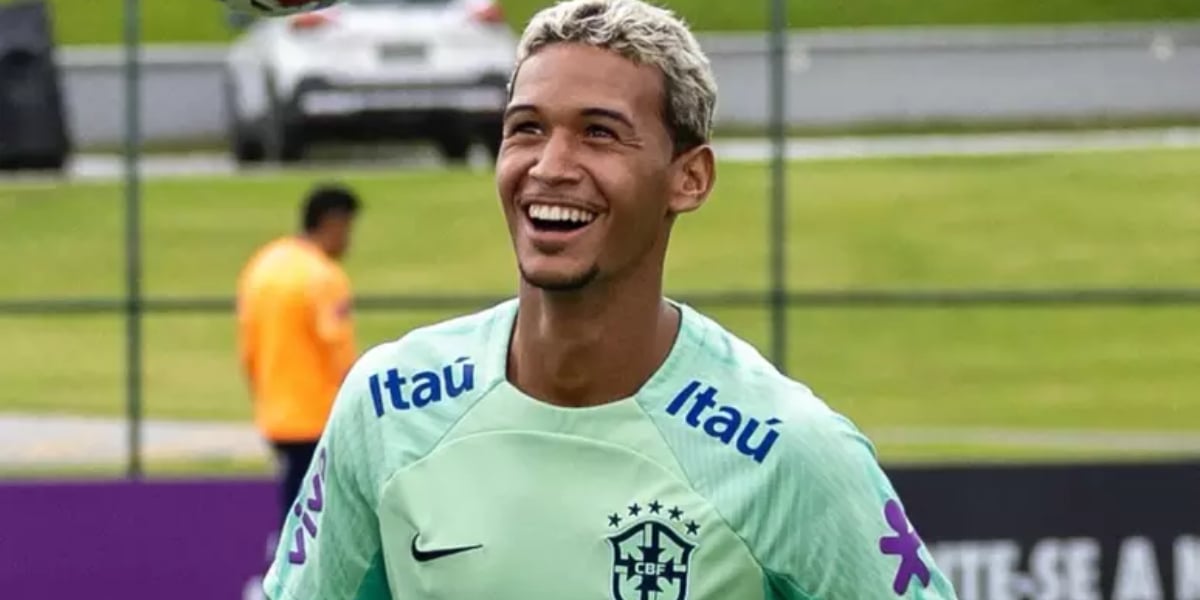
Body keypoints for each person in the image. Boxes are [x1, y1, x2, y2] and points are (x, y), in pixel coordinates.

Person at [263, 1, 959, 598]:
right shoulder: (388, 406)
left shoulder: (789, 454)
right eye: (527, 128)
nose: (550, 166)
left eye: (598, 133)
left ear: (688, 178)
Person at [237, 183, 361, 526]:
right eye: (348, 229)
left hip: (275, 415)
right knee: (319, 526)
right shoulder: (323, 277)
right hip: (319, 418)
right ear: (333, 223)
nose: (349, 241)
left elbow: (248, 347)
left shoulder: (263, 266)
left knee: (293, 513)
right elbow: (340, 354)